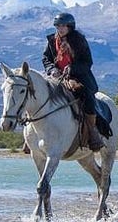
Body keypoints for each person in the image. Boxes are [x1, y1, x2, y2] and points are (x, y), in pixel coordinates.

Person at [42, 12, 103, 152]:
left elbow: (87, 62)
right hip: (57, 77)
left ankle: (92, 132)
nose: (60, 29)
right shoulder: (52, 40)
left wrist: (73, 68)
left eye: (63, 26)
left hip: (78, 77)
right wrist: (52, 69)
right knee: (38, 93)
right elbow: (46, 59)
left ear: (70, 26)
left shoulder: (79, 40)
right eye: (58, 26)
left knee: (86, 96)